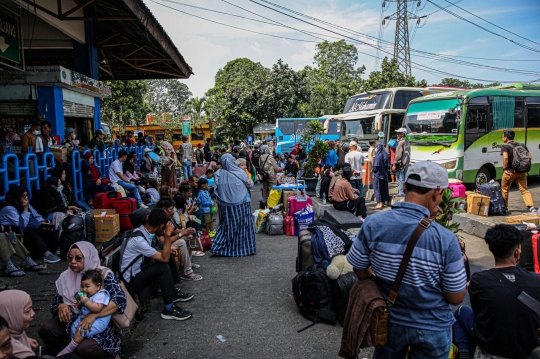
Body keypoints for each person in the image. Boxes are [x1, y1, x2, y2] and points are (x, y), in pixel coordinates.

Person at [347, 161, 467, 359]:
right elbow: (455, 297)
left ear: (403, 187)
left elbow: (359, 268)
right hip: (433, 326)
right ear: (437, 193)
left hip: (389, 322)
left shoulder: (373, 223)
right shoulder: (446, 239)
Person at [453, 224, 540, 359]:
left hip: (489, 346)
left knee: (460, 312)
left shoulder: (478, 280)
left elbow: (479, 312)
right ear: (517, 252)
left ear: (490, 249)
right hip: (523, 348)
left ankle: (464, 351)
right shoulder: (537, 281)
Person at [39, 242, 127, 358]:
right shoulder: (65, 276)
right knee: (46, 329)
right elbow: (56, 302)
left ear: (89, 257)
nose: (73, 262)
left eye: (78, 258)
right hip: (72, 321)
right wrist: (61, 306)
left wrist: (94, 315)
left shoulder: (101, 275)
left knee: (85, 348)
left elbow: (119, 301)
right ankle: (61, 353)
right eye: (70, 258)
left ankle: (110, 355)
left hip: (98, 323)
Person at [120, 208, 194, 320]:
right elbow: (163, 259)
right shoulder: (139, 240)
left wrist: (167, 250)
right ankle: (169, 309)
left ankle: (172, 291)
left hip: (140, 269)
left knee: (168, 257)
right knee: (163, 265)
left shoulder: (144, 231)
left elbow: (159, 253)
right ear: (160, 226)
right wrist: (168, 235)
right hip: (131, 280)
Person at [57, 270, 112, 356]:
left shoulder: (101, 294)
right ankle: (74, 343)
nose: (84, 289)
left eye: (87, 286)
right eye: (82, 286)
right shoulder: (87, 295)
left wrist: (86, 302)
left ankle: (70, 348)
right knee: (73, 327)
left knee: (81, 331)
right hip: (84, 317)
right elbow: (82, 306)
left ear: (98, 286)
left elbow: (97, 308)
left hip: (98, 320)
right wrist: (78, 304)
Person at [0, 186, 60, 264]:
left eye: (26, 195)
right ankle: (45, 253)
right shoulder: (8, 208)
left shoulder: (23, 203)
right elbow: (22, 224)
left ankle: (53, 249)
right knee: (30, 229)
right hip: (17, 231)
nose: (26, 198)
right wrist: (25, 209)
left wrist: (42, 221)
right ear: (16, 196)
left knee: (46, 227)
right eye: (23, 196)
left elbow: (36, 214)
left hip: (30, 226)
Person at [211, 154, 256, 257]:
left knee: (226, 227)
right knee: (243, 227)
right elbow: (250, 185)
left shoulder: (218, 174)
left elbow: (216, 189)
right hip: (241, 205)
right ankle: (245, 249)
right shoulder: (239, 172)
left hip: (225, 207)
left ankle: (222, 249)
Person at [500, 129, 535, 211]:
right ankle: (531, 207)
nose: (502, 138)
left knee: (505, 189)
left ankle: (504, 207)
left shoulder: (505, 147)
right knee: (524, 190)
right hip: (521, 171)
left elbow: (505, 157)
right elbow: (530, 157)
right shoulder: (522, 145)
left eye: (502, 136)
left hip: (510, 172)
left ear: (506, 137)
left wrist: (505, 169)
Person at [0, 290, 38, 358]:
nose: (33, 313)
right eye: (27, 311)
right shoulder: (23, 355)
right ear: (11, 316)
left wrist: (25, 339)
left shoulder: (14, 332)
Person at [392, 128, 410, 197]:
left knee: (400, 178)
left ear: (402, 134)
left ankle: (401, 192)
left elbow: (398, 155)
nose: (397, 135)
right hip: (406, 163)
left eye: (399, 133)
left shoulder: (400, 142)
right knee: (405, 179)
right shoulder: (407, 141)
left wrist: (394, 164)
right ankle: (405, 192)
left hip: (400, 164)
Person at [372, 142, 390, 210]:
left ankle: (379, 203)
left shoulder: (378, 156)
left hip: (378, 175)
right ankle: (382, 202)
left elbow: (375, 167)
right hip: (384, 174)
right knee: (383, 189)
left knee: (377, 189)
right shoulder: (385, 154)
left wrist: (372, 169)